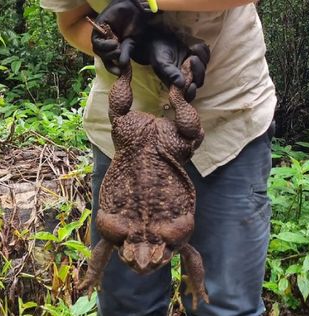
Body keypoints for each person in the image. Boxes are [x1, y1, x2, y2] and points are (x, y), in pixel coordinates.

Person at [40, 0, 276, 315]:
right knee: (126, 306)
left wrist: (145, 3)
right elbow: (72, 22)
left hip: (226, 118)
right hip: (125, 135)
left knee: (225, 305)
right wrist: (117, 45)